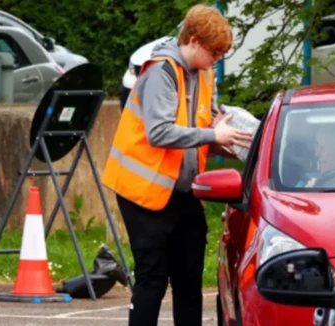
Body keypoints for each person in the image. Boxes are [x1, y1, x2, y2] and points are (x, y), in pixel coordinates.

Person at [100, 4, 253, 326]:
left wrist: (225, 139)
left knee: (188, 280)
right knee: (152, 279)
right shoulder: (161, 71)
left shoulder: (204, 73)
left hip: (181, 191)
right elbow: (159, 132)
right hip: (144, 193)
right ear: (194, 41)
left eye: (222, 54)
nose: (217, 59)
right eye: (215, 52)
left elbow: (198, 127)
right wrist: (214, 133)